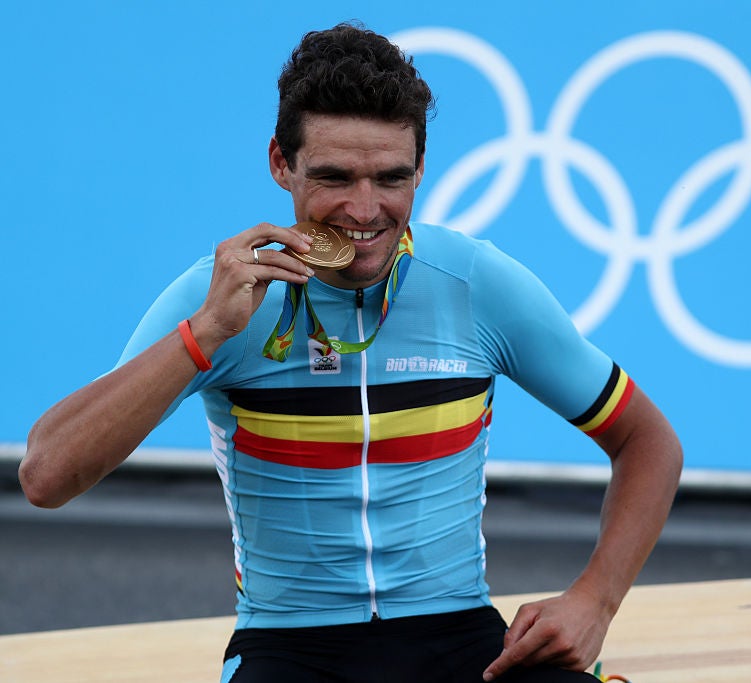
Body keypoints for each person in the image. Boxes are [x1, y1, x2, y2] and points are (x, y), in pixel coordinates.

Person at [19, 21, 683, 683]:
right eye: (335, 177)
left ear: (422, 167)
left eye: (391, 178)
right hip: (289, 646)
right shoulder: (219, 292)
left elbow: (648, 442)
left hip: (460, 636)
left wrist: (596, 598)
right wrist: (205, 335)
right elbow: (46, 476)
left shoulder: (477, 283)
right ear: (281, 162)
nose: (364, 213)